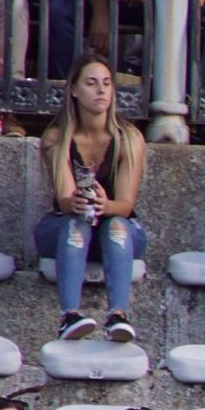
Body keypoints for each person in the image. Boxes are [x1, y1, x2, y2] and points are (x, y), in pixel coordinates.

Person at [33, 55, 149, 343]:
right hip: (67, 226)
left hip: (115, 228)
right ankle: (69, 315)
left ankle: (118, 315)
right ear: (74, 90)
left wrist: (104, 205)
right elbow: (63, 199)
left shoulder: (129, 137)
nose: (101, 91)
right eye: (91, 83)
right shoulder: (56, 137)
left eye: (107, 84)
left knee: (117, 226)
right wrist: (78, 202)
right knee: (77, 223)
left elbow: (126, 204)